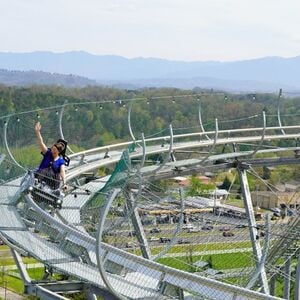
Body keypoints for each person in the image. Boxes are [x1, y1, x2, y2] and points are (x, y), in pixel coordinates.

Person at [34, 122, 68, 190]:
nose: (53, 151)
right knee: (44, 170)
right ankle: (37, 182)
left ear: (59, 152)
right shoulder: (48, 153)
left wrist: (64, 183)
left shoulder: (60, 161)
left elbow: (62, 172)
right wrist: (37, 132)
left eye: (55, 150)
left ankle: (55, 191)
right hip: (41, 176)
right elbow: (41, 142)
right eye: (53, 149)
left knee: (53, 171)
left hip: (52, 181)